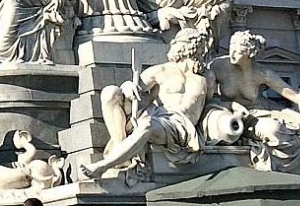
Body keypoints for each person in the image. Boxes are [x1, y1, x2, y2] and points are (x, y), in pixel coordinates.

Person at [80, 27, 216, 179]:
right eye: (196, 48)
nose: (200, 52)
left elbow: (210, 105)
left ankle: (105, 165)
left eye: (200, 49)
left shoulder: (206, 77)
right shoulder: (161, 70)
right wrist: (128, 86)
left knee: (147, 124)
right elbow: (134, 86)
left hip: (183, 127)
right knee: (110, 93)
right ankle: (120, 152)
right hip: (163, 119)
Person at [209, 30, 300, 170]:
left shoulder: (263, 74)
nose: (232, 55)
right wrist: (230, 106)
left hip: (266, 111)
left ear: (250, 54)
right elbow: (208, 95)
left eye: (238, 52)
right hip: (240, 117)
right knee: (274, 130)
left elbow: (296, 97)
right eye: (232, 49)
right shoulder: (219, 66)